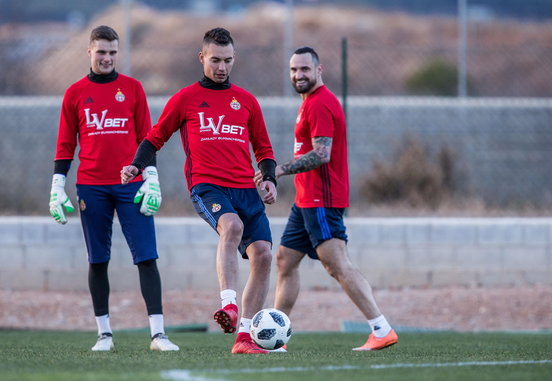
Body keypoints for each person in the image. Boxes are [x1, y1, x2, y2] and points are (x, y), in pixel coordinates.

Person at [120, 27, 278, 354]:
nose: (222, 67)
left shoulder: (246, 101)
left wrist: (269, 179)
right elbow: (155, 137)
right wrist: (136, 164)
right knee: (231, 226)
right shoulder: (186, 98)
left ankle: (245, 337)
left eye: (228, 61)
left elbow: (263, 148)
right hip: (207, 186)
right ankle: (229, 304)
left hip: (245, 190)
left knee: (263, 254)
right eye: (216, 60)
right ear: (202, 57)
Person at [255, 46, 398, 351]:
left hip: (322, 199)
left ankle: (381, 328)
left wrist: (278, 170)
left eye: (305, 69)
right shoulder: (308, 103)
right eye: (294, 70)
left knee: (337, 265)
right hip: (305, 200)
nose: (298, 75)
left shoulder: (320, 103)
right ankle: (278, 339)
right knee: (285, 261)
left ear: (319, 71)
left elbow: (322, 155)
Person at [49, 25, 179, 352]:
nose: (107, 58)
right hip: (91, 186)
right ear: (89, 52)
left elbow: (146, 138)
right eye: (101, 52)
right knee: (97, 260)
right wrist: (57, 186)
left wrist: (152, 179)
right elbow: (65, 145)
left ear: (117, 53)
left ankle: (158, 335)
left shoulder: (133, 89)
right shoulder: (75, 93)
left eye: (112, 52)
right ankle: (104, 334)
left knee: (147, 257)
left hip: (130, 185)